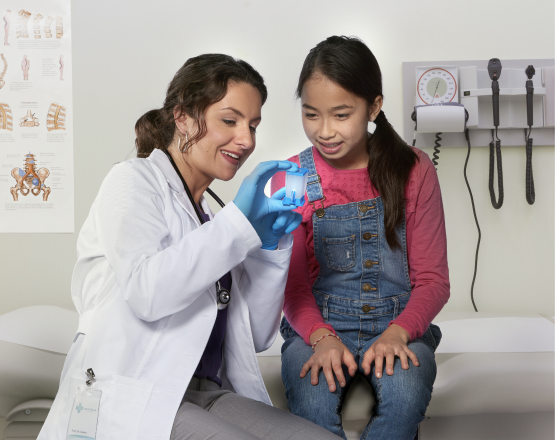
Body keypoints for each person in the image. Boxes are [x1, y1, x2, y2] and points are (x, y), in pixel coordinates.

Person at [38, 54, 339, 440]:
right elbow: (147, 293)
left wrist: (270, 246)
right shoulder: (132, 181)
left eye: (253, 125)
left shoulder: (211, 217)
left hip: (203, 391)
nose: (246, 139)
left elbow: (256, 336)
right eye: (229, 121)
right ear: (182, 117)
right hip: (135, 390)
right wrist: (239, 222)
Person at [272, 36, 450, 440]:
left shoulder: (415, 169)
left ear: (374, 106)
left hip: (398, 324)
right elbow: (294, 288)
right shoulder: (291, 177)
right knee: (312, 396)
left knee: (405, 393)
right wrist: (322, 338)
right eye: (311, 114)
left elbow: (434, 281)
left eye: (340, 114)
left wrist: (397, 333)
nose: (325, 131)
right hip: (318, 325)